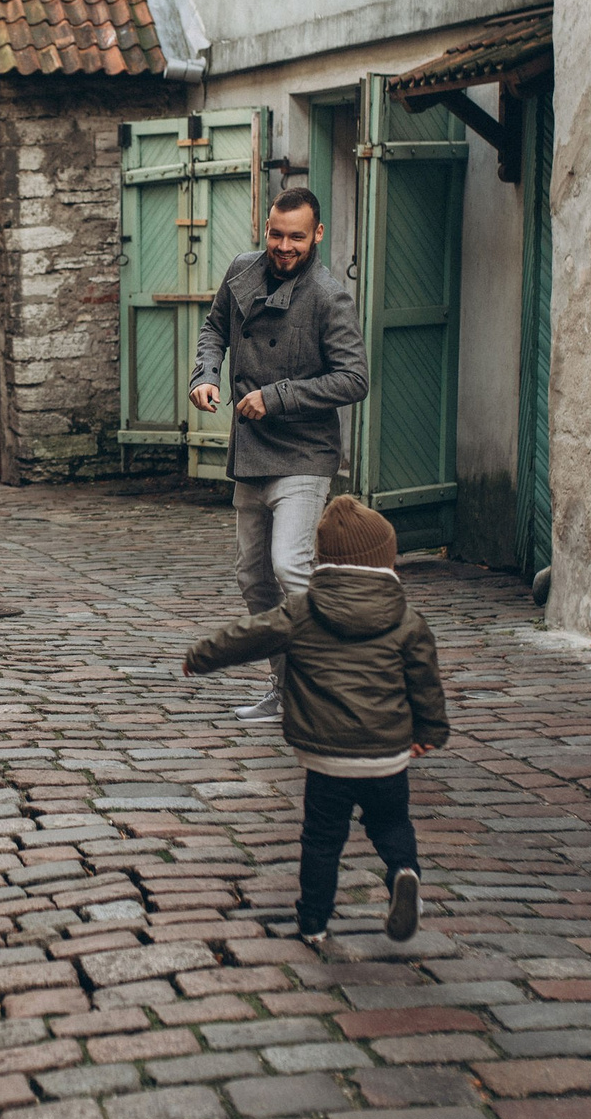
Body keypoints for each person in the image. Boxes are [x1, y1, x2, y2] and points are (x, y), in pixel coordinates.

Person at [184, 496, 444, 943]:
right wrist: (429, 733)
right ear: (385, 559)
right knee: (392, 823)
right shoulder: (408, 619)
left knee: (322, 839)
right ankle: (405, 875)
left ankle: (314, 922)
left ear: (324, 561)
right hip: (387, 754)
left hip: (327, 757)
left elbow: (249, 636)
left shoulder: (301, 611)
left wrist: (200, 656)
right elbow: (425, 683)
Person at [189, 186, 370, 724]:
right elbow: (214, 328)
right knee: (254, 579)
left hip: (304, 453)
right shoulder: (242, 270)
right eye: (275, 234)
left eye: (296, 236)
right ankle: (284, 688)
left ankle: (340, 676)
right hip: (251, 453)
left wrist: (277, 396)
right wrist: (205, 375)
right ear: (264, 230)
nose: (284, 246)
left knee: (291, 566)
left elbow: (354, 379)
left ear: (317, 235)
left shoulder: (329, 297)